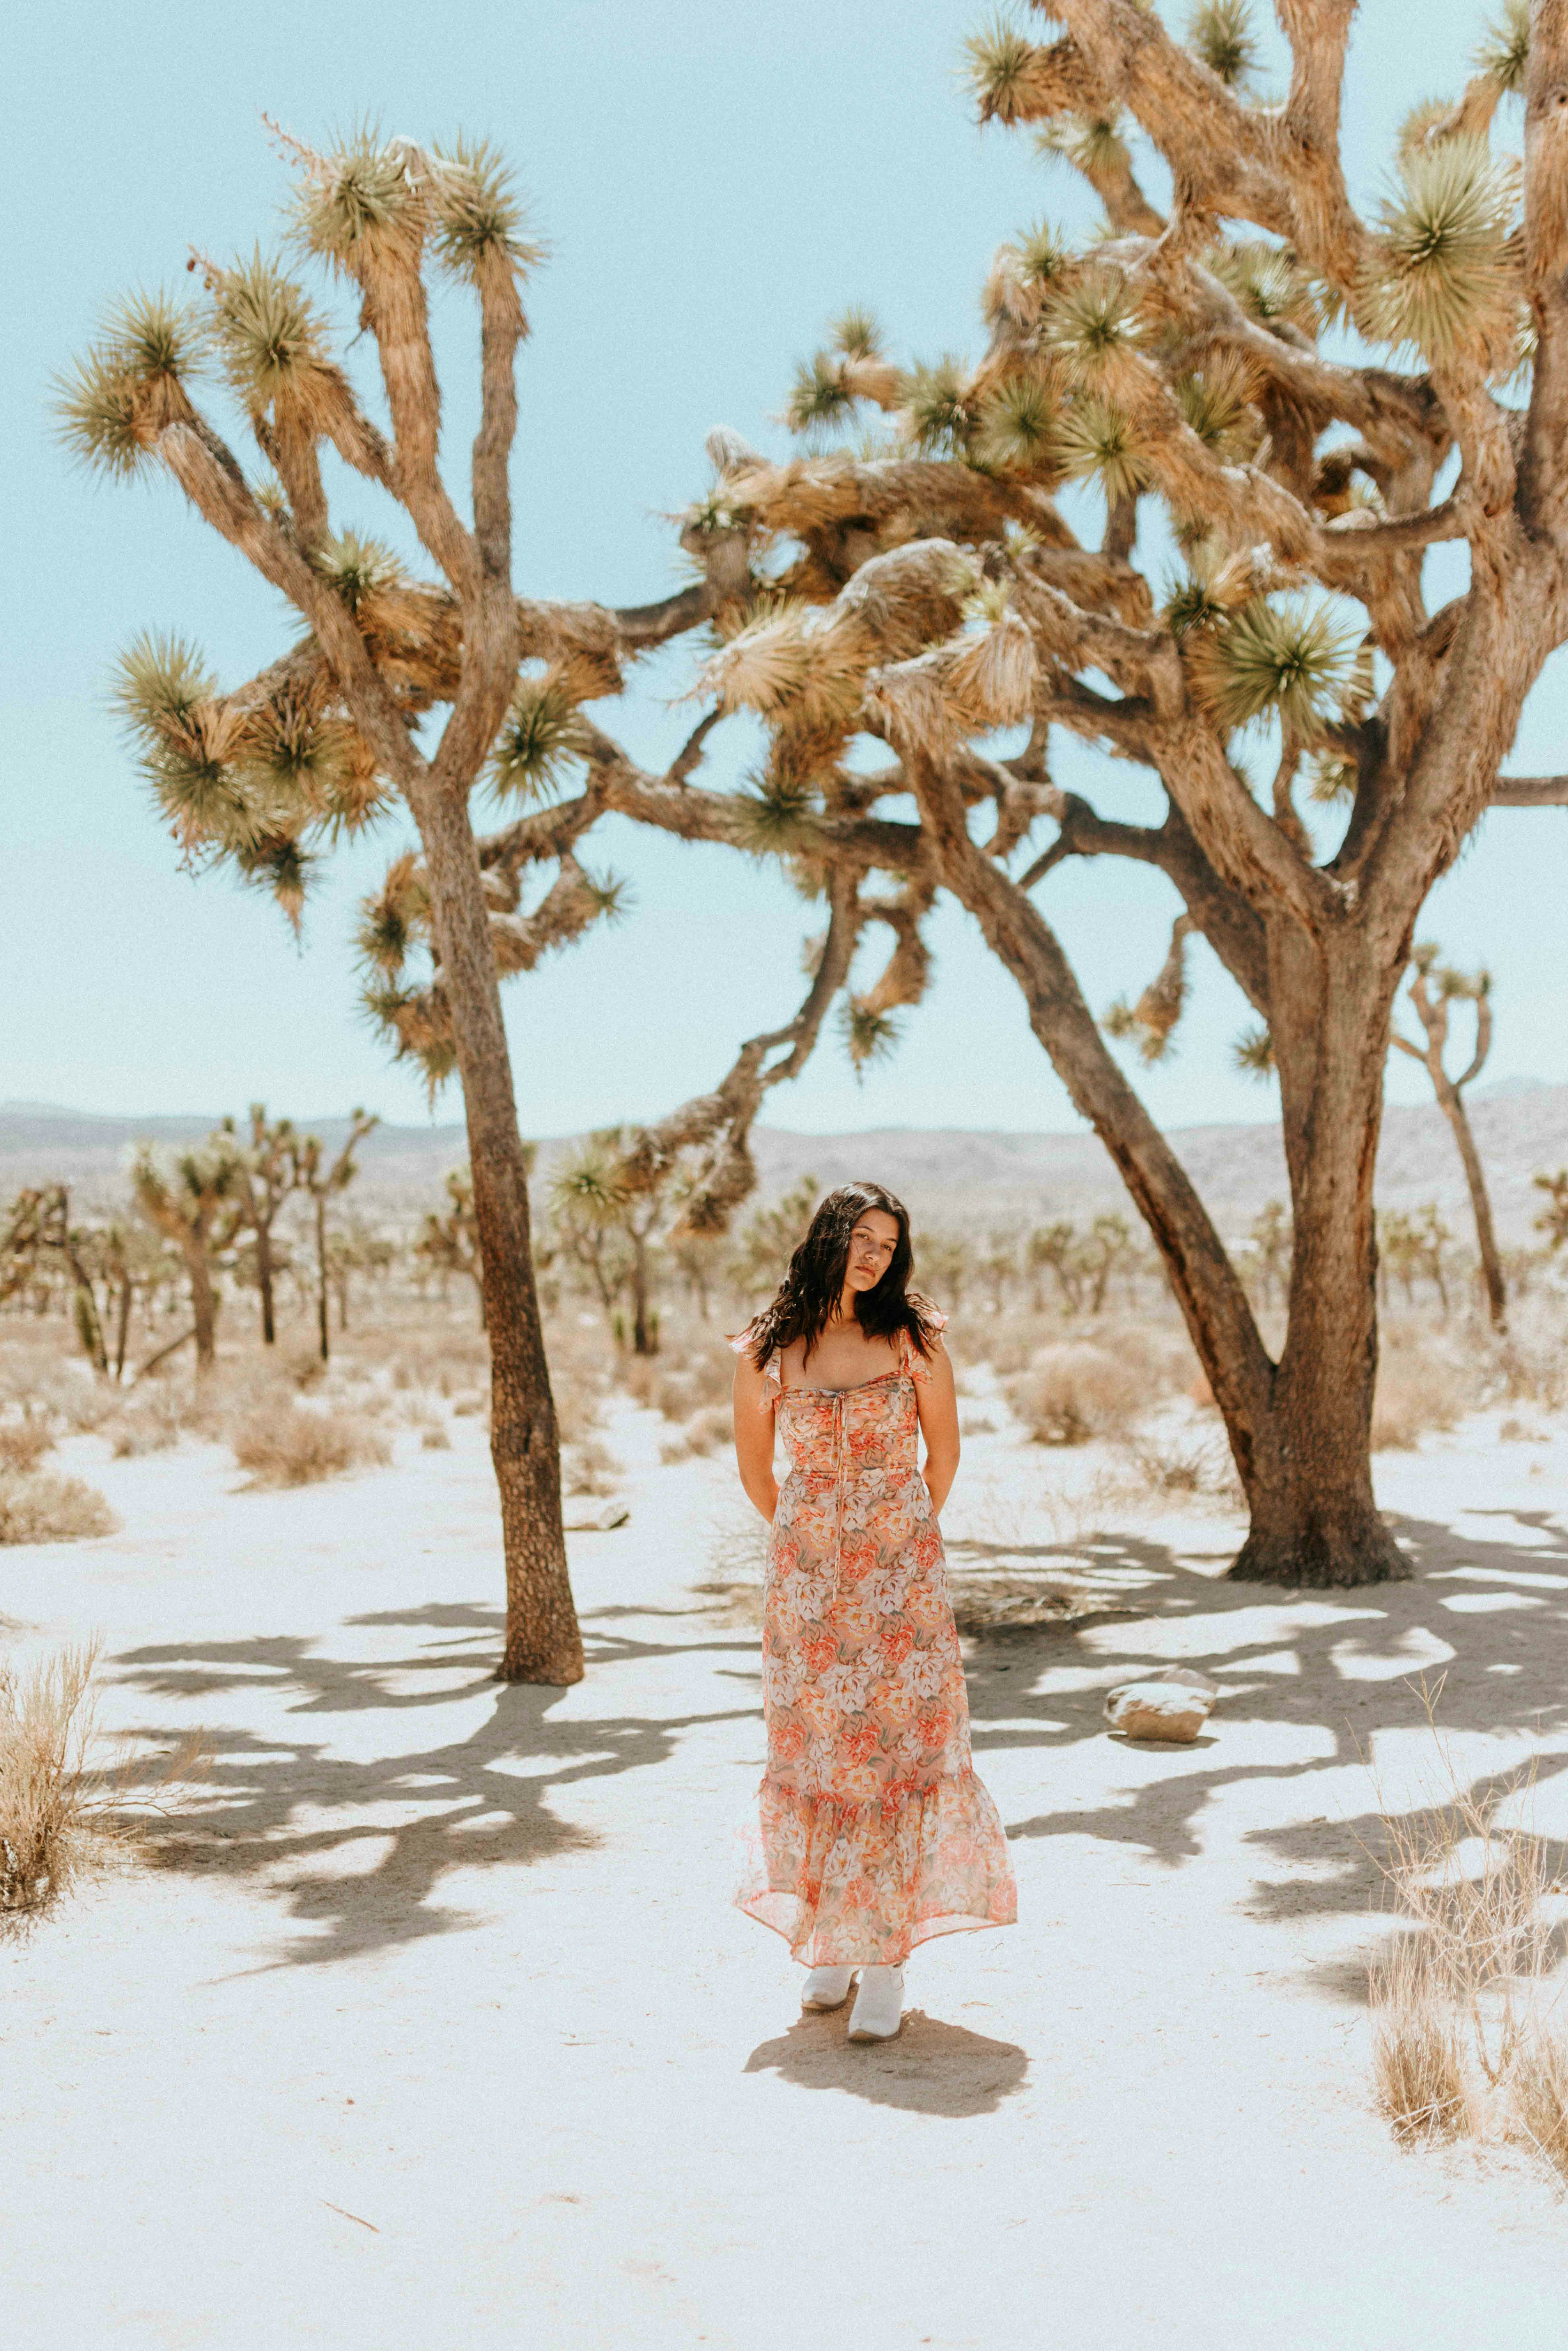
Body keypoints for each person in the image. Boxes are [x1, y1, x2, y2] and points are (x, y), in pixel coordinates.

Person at [728, 1181, 1016, 2043]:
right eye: (862, 1237)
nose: (875, 1255)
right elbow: (755, 1474)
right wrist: (813, 1544)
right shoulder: (765, 1349)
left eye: (889, 1245)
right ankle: (833, 1943)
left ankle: (886, 1958)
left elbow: (946, 1454)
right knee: (821, 1751)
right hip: (809, 1586)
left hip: (903, 1583)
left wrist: (898, 1541)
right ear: (828, 1236)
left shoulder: (913, 1338)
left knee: (896, 1754)